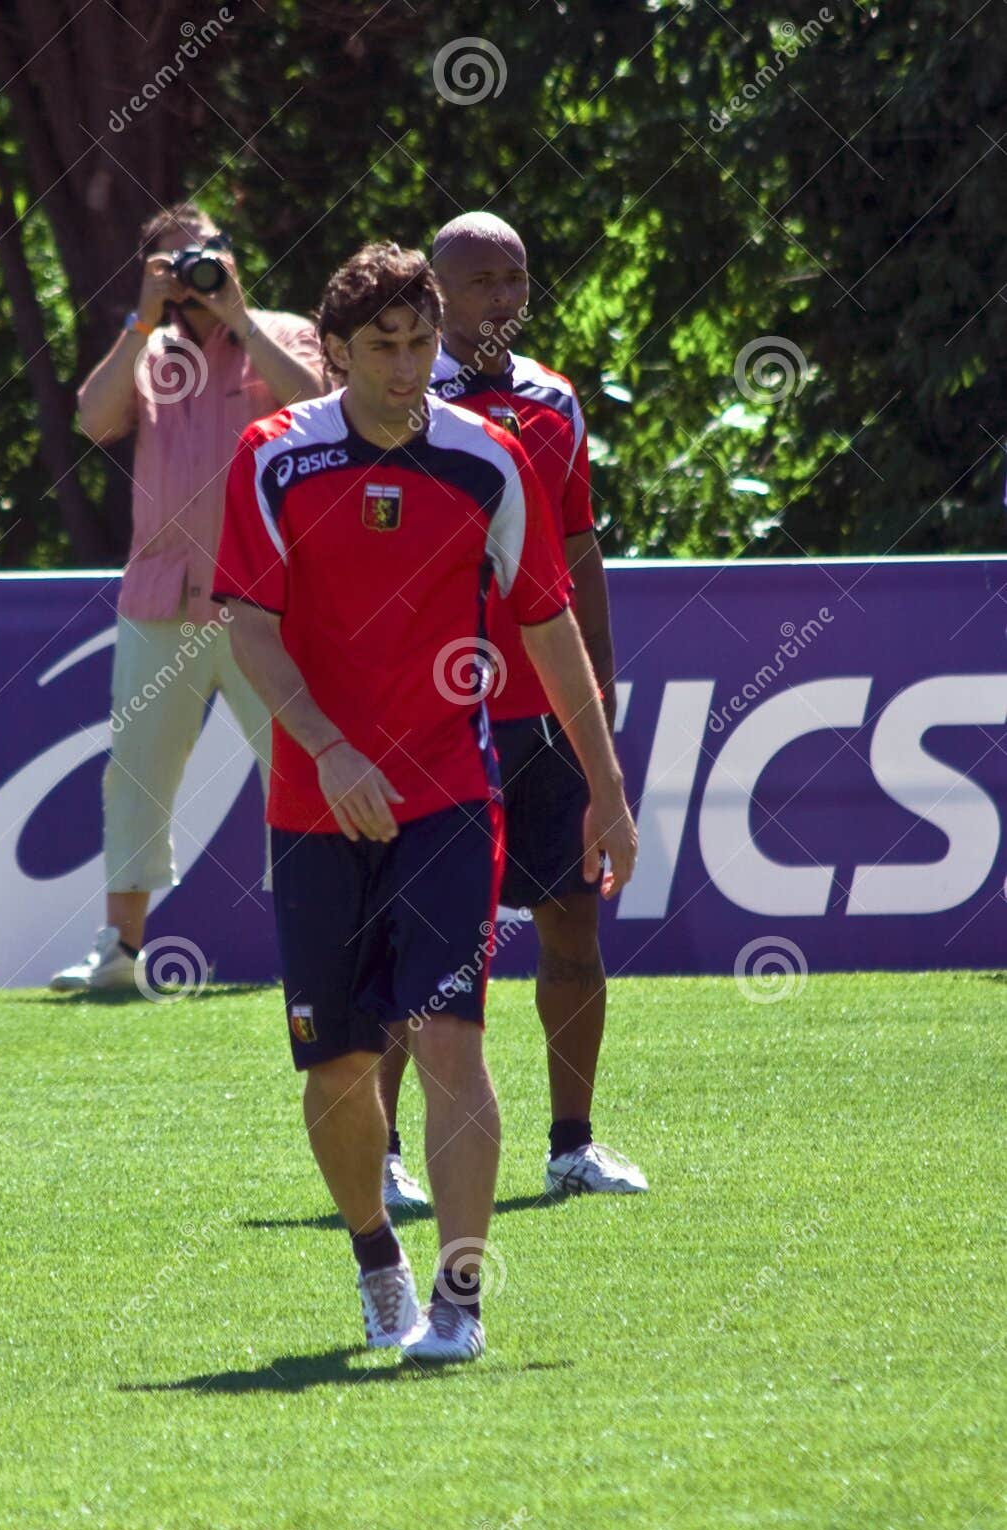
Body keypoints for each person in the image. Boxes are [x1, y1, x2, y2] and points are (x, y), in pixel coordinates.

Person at [213, 243, 637, 1363]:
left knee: (450, 1038)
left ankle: (459, 1301)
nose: (405, 367)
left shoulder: (491, 460)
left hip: (451, 792)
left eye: (418, 341)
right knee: (337, 1060)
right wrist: (328, 749)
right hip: (314, 804)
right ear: (336, 351)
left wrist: (606, 788)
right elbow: (245, 624)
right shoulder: (270, 456)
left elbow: (546, 626)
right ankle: (374, 1261)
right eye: (381, 347)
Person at [375, 212, 648, 1207]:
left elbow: (577, 550)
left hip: (545, 713)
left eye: (514, 276)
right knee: (419, 938)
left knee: (570, 924)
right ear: (434, 294)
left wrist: (599, 691)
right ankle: (386, 1153)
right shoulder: (392, 405)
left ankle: (570, 1143)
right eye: (479, 279)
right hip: (435, 716)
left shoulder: (552, 402)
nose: (501, 296)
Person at [50, 202, 324, 992]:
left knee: (296, 765)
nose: (194, 275)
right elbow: (93, 420)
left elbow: (317, 408)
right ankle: (120, 953)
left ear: (233, 257)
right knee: (135, 773)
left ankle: (320, 941)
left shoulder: (281, 331)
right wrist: (140, 322)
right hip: (161, 598)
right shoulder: (148, 347)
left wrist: (240, 317)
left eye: (205, 255)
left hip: (266, 602)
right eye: (173, 263)